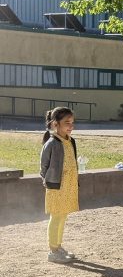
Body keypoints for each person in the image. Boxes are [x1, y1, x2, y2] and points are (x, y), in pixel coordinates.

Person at [40, 107, 80, 264]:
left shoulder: (71, 141)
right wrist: (49, 182)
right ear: (56, 124)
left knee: (63, 216)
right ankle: (53, 251)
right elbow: (43, 167)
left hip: (68, 187)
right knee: (56, 216)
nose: (71, 126)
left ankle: (58, 246)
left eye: (72, 123)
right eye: (67, 123)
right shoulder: (51, 143)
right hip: (56, 187)